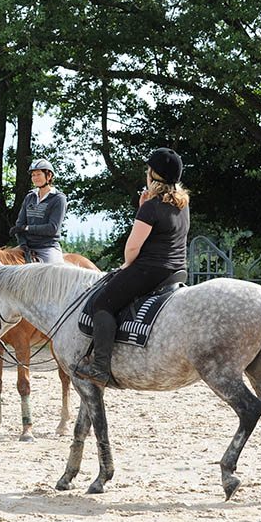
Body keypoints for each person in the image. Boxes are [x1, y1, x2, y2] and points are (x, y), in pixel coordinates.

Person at [73, 147, 191, 386]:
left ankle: (100, 368)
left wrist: (127, 264)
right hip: (176, 271)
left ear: (154, 176)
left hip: (150, 270)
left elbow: (132, 248)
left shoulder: (152, 206)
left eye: (148, 170)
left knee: (102, 303)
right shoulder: (182, 204)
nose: (146, 173)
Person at [11, 158, 68, 263]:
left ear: (49, 176)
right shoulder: (29, 197)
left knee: (53, 274)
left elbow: (52, 228)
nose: (35, 178)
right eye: (33, 175)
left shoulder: (58, 198)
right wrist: (23, 244)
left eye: (38, 174)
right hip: (26, 247)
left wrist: (27, 228)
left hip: (47, 248)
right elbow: (20, 225)